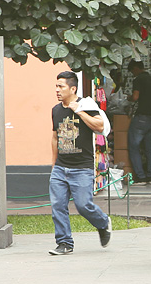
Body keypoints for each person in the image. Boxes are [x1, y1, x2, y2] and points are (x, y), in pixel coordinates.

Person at [48, 71, 112, 256]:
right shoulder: (55, 110)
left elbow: (99, 126)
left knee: (84, 205)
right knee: (57, 206)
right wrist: (54, 164)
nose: (57, 90)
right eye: (56, 86)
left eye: (61, 86)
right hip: (61, 167)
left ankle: (102, 222)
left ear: (73, 88)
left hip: (82, 167)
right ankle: (64, 243)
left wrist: (79, 111)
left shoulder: (86, 104)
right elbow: (54, 137)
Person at [125, 60, 151, 183]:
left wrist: (128, 97)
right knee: (149, 148)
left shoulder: (139, 80)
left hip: (140, 117)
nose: (133, 74)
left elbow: (135, 97)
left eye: (132, 71)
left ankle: (140, 176)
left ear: (135, 68)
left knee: (134, 146)